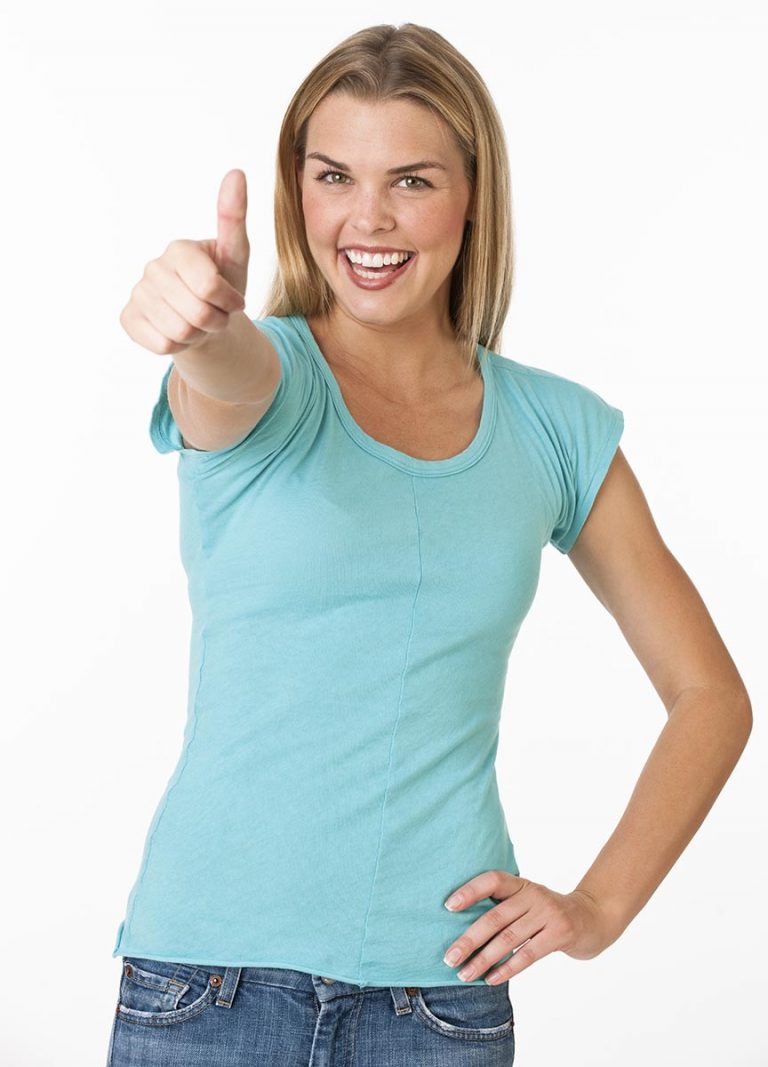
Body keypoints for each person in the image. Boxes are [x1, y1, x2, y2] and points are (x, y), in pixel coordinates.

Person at [106, 22, 752, 1067]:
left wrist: (598, 905)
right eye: (334, 176)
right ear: (298, 191)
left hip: (438, 1004)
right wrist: (198, 312)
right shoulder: (266, 377)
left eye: (411, 180)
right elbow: (220, 373)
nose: (368, 218)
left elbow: (712, 696)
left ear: (472, 197)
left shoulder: (557, 430)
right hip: (208, 987)